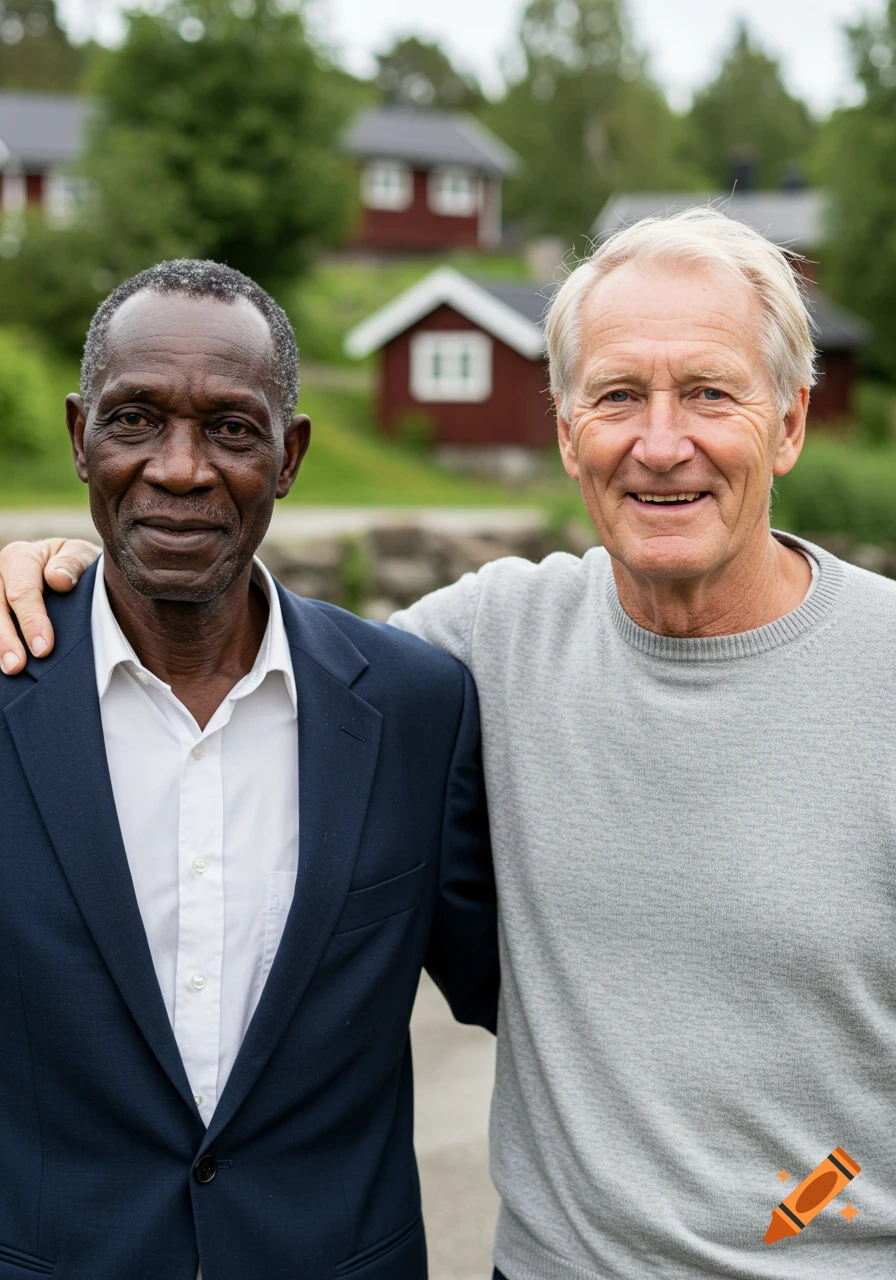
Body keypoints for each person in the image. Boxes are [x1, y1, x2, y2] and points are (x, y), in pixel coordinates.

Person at [4, 208, 895, 1279]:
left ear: (790, 423)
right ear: (565, 429)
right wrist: (48, 567)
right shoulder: (480, 648)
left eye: (709, 392)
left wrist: (825, 1201)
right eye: (617, 395)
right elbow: (230, 620)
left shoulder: (881, 670)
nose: (660, 443)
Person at [0, 260, 498, 1280]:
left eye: (230, 428)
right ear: (80, 437)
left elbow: (537, 992)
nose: (180, 469)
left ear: (289, 455)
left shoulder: (417, 708)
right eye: (134, 419)